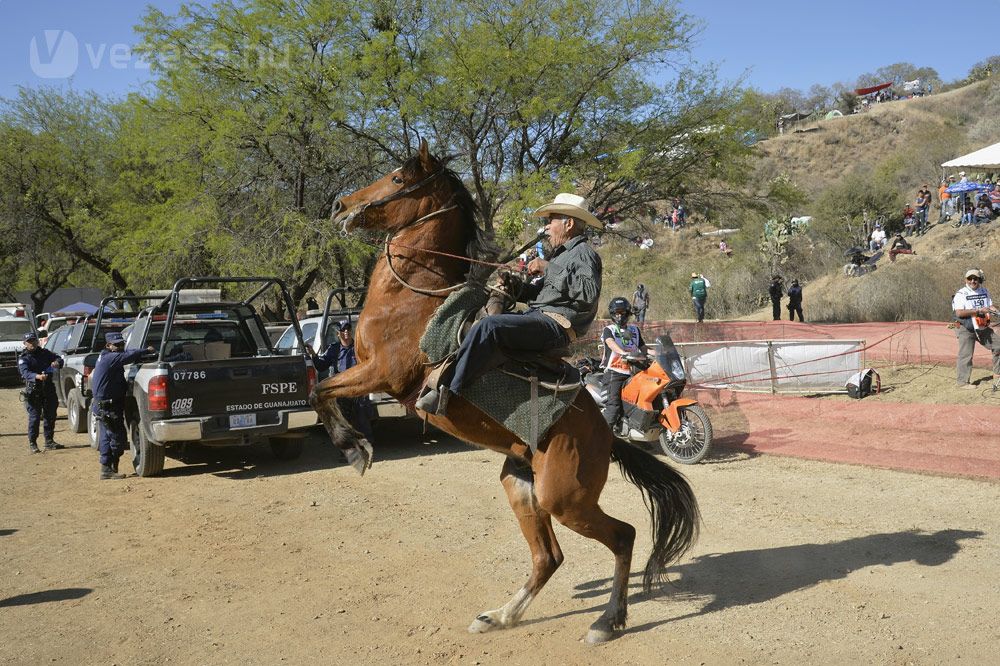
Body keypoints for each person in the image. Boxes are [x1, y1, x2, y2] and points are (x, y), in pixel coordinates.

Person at [416, 192, 603, 415]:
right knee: (481, 321)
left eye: (550, 220)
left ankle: (447, 391)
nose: (546, 227)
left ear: (569, 223)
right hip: (540, 317)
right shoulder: (561, 256)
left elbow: (588, 293)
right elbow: (541, 295)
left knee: (490, 326)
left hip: (557, 325)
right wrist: (514, 286)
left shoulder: (583, 254)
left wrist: (547, 268)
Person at [90, 332, 152, 479]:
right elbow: (128, 356)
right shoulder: (110, 358)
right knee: (117, 438)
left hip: (105, 405)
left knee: (107, 437)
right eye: (116, 345)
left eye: (121, 344)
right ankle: (109, 469)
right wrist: (146, 350)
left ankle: (108, 469)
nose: (120, 347)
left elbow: (127, 353)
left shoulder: (107, 356)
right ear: (108, 345)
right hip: (108, 407)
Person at [315, 321, 373, 441]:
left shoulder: (359, 347)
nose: (346, 332)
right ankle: (349, 450)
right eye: (343, 330)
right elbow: (321, 366)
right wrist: (313, 356)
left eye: (348, 329)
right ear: (338, 333)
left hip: (359, 389)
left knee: (362, 419)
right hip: (341, 391)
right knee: (343, 420)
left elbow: (369, 365)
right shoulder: (334, 349)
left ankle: (367, 448)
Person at [599, 297, 645, 430]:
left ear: (628, 313)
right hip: (615, 372)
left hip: (635, 372)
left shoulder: (635, 331)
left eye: (623, 313)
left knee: (638, 403)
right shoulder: (609, 329)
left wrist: (662, 353)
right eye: (617, 313)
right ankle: (604, 438)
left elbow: (644, 349)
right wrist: (622, 352)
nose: (620, 316)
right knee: (614, 406)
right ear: (613, 314)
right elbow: (610, 343)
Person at [951, 269, 1000, 389]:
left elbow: (989, 305)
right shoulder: (961, 294)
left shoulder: (984, 291)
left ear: (979, 280)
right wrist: (978, 311)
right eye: (969, 279)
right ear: (965, 280)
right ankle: (962, 382)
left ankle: (997, 375)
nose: (972, 281)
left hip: (982, 325)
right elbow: (959, 313)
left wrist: (996, 311)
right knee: (966, 354)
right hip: (965, 326)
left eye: (975, 279)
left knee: (998, 345)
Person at [17, 332, 64, 454]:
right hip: (34, 390)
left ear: (37, 341)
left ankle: (49, 441)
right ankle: (33, 442)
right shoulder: (24, 358)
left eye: (34, 340)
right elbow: (25, 373)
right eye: (29, 341)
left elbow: (58, 358)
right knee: (35, 418)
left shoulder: (45, 353)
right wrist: (37, 376)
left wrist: (57, 362)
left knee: (50, 415)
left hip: (48, 388)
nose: (32, 343)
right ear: (25, 343)